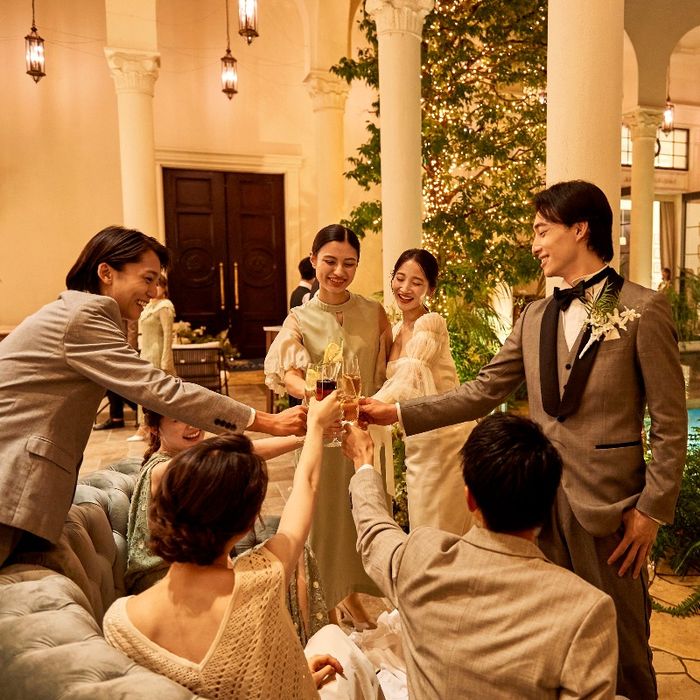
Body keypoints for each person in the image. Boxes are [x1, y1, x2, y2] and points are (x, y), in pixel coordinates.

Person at [361, 180, 687, 700]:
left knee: (624, 645)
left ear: (579, 229)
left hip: (609, 507)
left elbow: (670, 422)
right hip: (536, 503)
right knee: (548, 635)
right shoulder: (535, 316)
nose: (534, 244)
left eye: (541, 230)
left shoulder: (642, 309)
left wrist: (651, 509)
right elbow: (483, 390)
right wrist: (397, 411)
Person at [0, 225, 306, 568]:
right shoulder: (83, 315)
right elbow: (162, 391)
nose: (153, 290)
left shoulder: (81, 313)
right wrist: (266, 420)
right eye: (147, 279)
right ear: (106, 272)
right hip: (10, 476)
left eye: (157, 281)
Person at [104, 395, 382, 700]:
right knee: (337, 642)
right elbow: (308, 483)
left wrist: (292, 672)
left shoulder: (118, 623)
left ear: (163, 510)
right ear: (248, 523)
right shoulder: (260, 583)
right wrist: (315, 426)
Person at [343, 414, 618, 699]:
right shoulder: (586, 610)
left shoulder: (420, 560)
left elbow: (374, 529)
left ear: (470, 499)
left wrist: (364, 462)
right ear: (549, 503)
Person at [265, 223, 392, 629]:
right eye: (330, 261)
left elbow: (390, 367)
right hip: (322, 435)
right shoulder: (300, 317)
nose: (339, 271)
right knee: (322, 521)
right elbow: (286, 371)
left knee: (361, 513)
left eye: (349, 263)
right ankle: (328, 605)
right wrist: (310, 392)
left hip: (363, 434)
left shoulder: (373, 313)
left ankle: (352, 595)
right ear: (314, 260)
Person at [126, 407, 328, 647]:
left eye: (194, 415)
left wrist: (310, 435)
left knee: (300, 556)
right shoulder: (168, 469)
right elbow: (301, 482)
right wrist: (314, 429)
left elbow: (239, 455)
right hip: (162, 577)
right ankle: (305, 647)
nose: (191, 425)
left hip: (187, 568)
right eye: (178, 419)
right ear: (154, 429)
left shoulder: (119, 619)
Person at [373, 249, 472, 534]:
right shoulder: (396, 330)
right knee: (424, 525)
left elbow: (410, 379)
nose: (405, 288)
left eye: (416, 282)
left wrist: (366, 406)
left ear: (430, 289)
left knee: (437, 528)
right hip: (417, 438)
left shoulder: (431, 323)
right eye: (400, 278)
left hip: (445, 439)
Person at [128, 273, 176, 441]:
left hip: (157, 353)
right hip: (146, 353)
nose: (155, 288)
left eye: (158, 285)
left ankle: (151, 428)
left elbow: (168, 335)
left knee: (155, 393)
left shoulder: (165, 306)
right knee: (143, 392)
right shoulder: (148, 306)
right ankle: (144, 427)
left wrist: (166, 360)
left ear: (164, 287)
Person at [93, 319, 139, 430]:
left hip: (121, 350)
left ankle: (141, 407)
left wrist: (128, 353)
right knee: (111, 383)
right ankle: (117, 418)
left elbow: (132, 329)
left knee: (115, 384)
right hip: (108, 349)